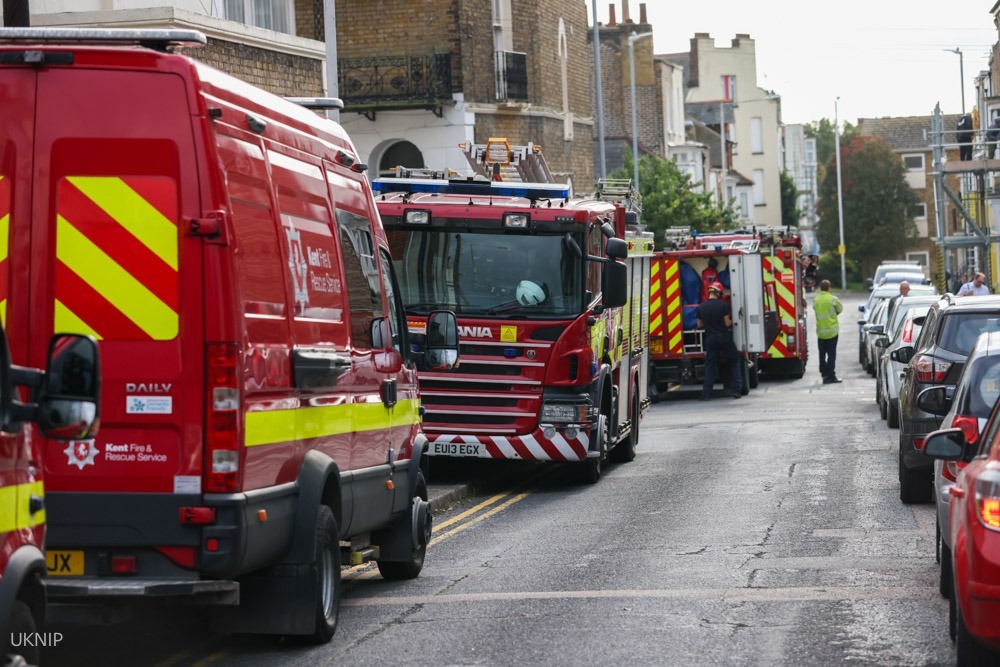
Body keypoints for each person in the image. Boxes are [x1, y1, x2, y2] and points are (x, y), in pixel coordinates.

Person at [696, 281, 742, 400]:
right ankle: (736, 391)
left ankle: (706, 395)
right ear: (717, 292)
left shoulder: (701, 306)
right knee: (734, 361)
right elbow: (727, 323)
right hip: (723, 337)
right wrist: (733, 322)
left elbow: (699, 324)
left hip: (710, 339)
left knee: (710, 366)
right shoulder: (722, 305)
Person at [814, 279, 844, 384]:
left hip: (821, 332)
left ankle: (824, 374)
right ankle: (831, 375)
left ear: (820, 288)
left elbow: (815, 310)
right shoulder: (833, 299)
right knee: (831, 354)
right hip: (832, 332)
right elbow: (840, 309)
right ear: (829, 288)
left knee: (822, 354)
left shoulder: (816, 300)